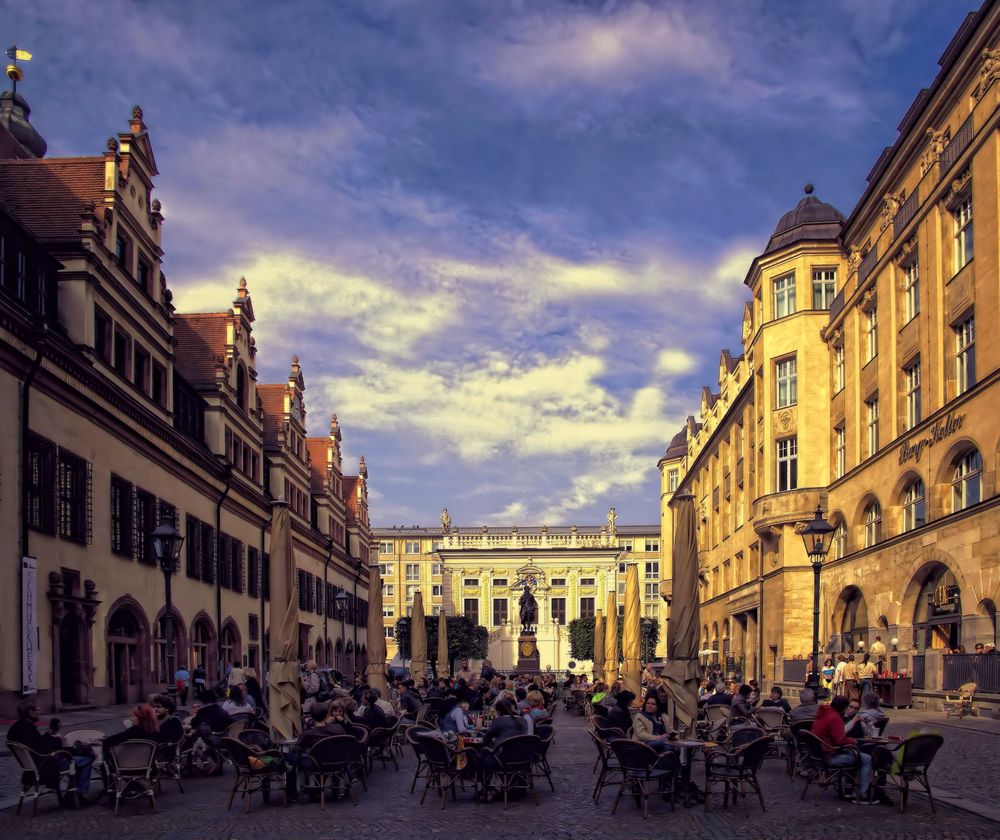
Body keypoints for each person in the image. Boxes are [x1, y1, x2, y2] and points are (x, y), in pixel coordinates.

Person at [7, 700, 95, 802]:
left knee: (75, 756)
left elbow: (37, 744)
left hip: (32, 765)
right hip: (45, 764)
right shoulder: (29, 729)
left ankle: (72, 793)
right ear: (31, 713)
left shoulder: (16, 728)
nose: (41, 712)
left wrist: (49, 733)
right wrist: (57, 740)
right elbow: (43, 750)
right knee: (85, 759)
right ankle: (77, 795)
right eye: (38, 710)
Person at [812, 695, 885, 804]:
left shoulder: (823, 713)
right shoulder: (834, 718)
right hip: (829, 756)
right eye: (848, 707)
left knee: (859, 753)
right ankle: (861, 794)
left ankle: (849, 788)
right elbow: (839, 741)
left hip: (819, 754)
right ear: (844, 708)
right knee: (866, 759)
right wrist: (852, 741)